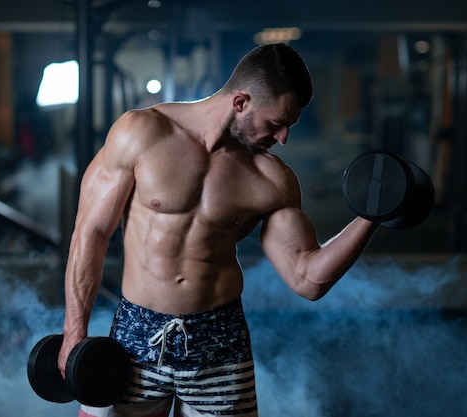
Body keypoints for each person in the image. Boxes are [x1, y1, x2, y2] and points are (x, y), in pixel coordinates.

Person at [58, 43, 378, 417]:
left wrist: (372, 216)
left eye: (289, 125)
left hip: (220, 342)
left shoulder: (272, 179)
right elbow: (91, 232)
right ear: (240, 102)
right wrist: (73, 331)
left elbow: (307, 279)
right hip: (136, 333)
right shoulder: (140, 133)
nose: (283, 138)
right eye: (276, 123)